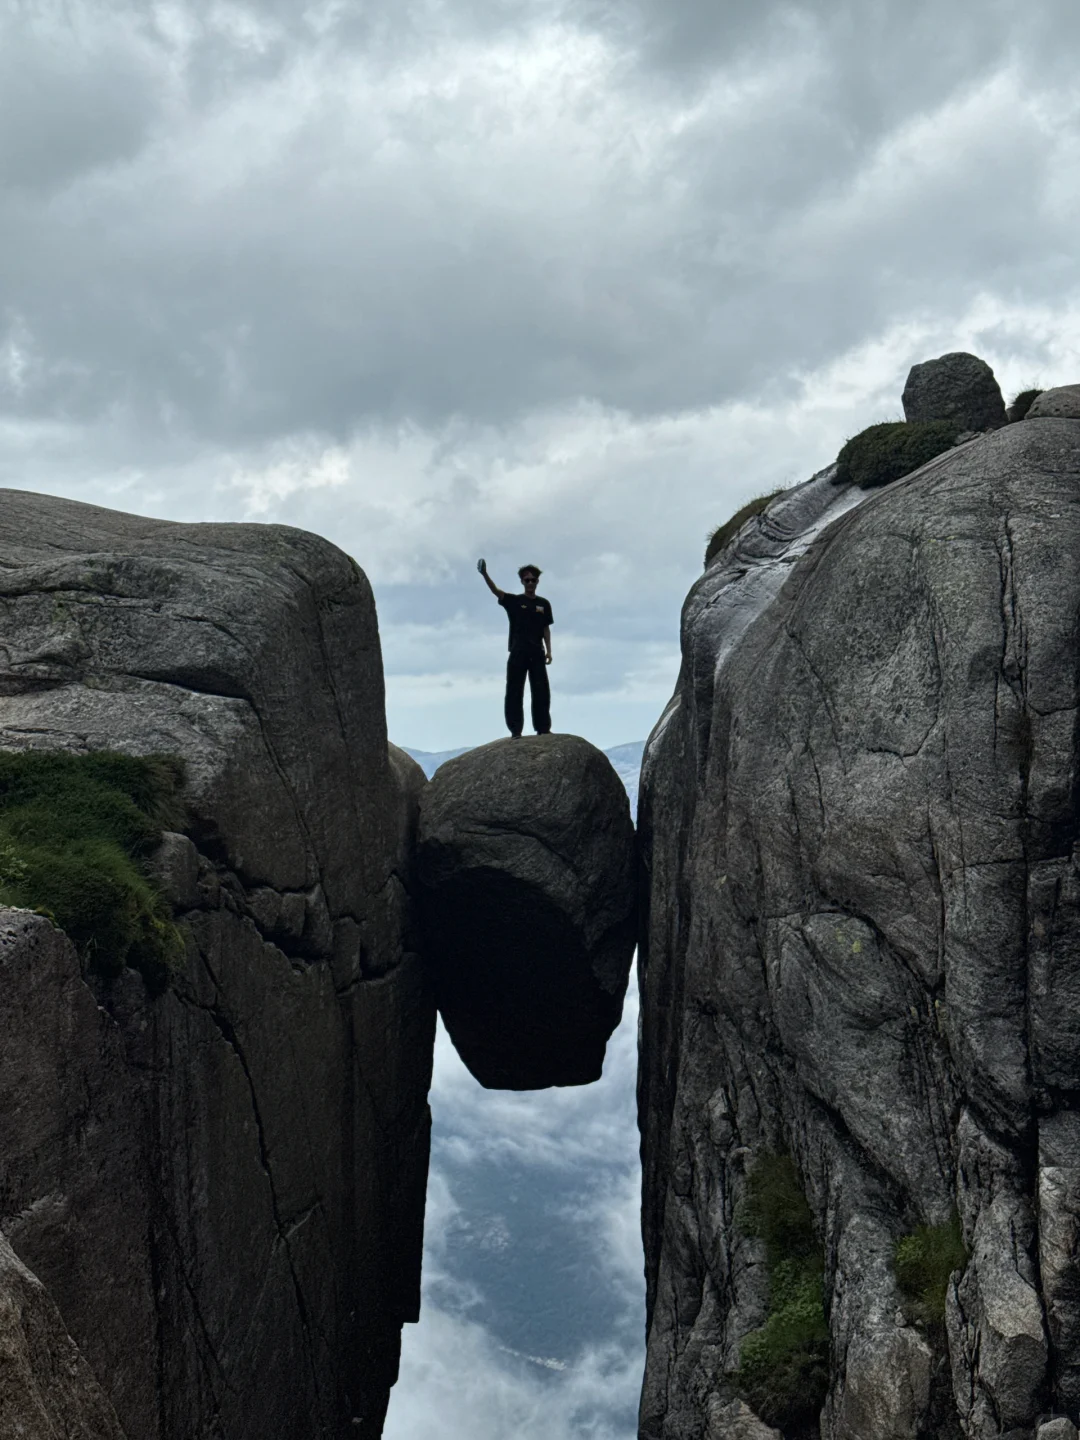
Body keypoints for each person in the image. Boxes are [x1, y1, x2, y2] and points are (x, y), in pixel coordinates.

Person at [477, 559, 553, 736]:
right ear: (522, 582)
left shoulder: (543, 604)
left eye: (533, 580)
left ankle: (543, 728)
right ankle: (515, 730)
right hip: (518, 652)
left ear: (537, 582)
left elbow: (546, 628)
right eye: (527, 580)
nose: (530, 583)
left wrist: (549, 650)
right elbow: (497, 592)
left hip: (537, 653)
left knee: (541, 692)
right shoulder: (515, 602)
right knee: (514, 692)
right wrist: (484, 574)